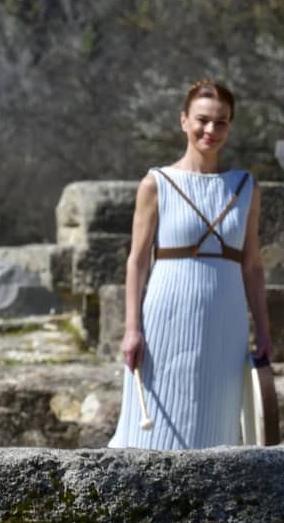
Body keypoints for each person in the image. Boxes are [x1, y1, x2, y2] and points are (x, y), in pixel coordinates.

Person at [111, 79, 269, 449]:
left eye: (222, 122)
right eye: (202, 120)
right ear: (184, 121)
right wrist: (132, 328)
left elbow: (252, 266)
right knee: (151, 431)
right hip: (166, 314)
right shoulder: (157, 184)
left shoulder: (245, 187)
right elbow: (136, 261)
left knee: (216, 423)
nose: (210, 130)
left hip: (225, 318)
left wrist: (263, 332)